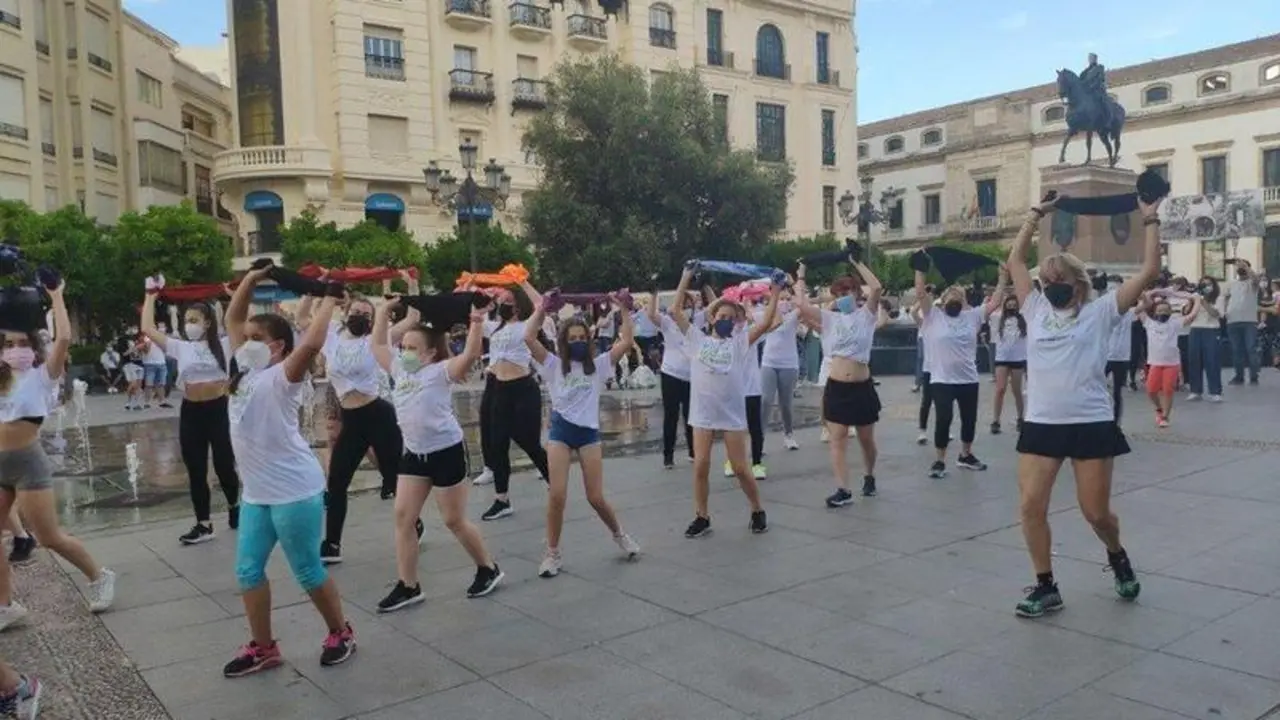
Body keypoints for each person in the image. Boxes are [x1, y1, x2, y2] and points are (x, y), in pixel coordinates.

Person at [1007, 192, 1159, 618]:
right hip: (1041, 423)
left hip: (1090, 421)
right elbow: (1016, 263)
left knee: (1095, 513)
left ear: (1077, 284)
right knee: (1030, 506)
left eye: (1058, 278)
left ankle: (1116, 554)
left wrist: (1149, 220)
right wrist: (1036, 214)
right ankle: (1045, 585)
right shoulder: (1034, 309)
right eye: (1046, 278)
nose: (1050, 283)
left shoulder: (1101, 311)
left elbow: (1149, 270)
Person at [221, 267, 356, 677]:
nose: (246, 343)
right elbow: (232, 319)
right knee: (247, 570)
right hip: (257, 493)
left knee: (306, 569)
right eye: (246, 339)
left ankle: (340, 632)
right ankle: (263, 647)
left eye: (257, 340)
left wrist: (330, 297)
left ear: (278, 347)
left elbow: (313, 341)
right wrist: (251, 281)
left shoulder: (282, 377)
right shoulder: (242, 373)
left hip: (295, 490)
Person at [371, 297, 504, 612]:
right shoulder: (398, 371)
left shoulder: (441, 371)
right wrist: (381, 313)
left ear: (430, 352)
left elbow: (471, 354)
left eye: (411, 348)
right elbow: (377, 345)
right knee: (403, 518)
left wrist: (475, 321)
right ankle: (408, 585)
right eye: (403, 347)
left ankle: (488, 567)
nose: (403, 352)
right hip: (414, 455)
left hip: (446, 452)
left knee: (453, 520)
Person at [0, 280, 116, 632]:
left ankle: (99, 575)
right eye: (8, 344)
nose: (15, 349)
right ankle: (6, 606)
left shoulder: (41, 376)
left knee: (49, 537)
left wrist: (57, 295)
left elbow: (63, 338)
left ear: (33, 347)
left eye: (22, 344)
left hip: (27, 463)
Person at [296, 277, 418, 564]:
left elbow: (413, 317)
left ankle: (414, 523)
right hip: (350, 418)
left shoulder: (378, 339)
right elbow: (303, 318)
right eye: (355, 312)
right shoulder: (331, 339)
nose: (359, 317)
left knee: (395, 477)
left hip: (378, 415)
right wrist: (318, 290)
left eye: (366, 314)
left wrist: (410, 287)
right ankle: (332, 544)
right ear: (345, 312)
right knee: (337, 481)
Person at [526, 297, 641, 577]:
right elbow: (528, 336)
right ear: (564, 342)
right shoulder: (552, 364)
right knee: (557, 495)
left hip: (588, 433)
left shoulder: (599, 365)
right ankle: (552, 554)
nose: (577, 341)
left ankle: (620, 534)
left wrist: (624, 309)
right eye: (572, 337)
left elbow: (626, 340)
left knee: (595, 496)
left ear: (588, 339)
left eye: (581, 337)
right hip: (561, 432)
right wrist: (542, 307)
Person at [668, 264, 780, 538]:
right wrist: (685, 276)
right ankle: (702, 516)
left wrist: (775, 291)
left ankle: (757, 510)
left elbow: (765, 323)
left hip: (731, 415)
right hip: (703, 414)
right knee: (701, 466)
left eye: (731, 316)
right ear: (712, 318)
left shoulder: (739, 343)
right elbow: (674, 311)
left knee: (741, 468)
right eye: (721, 315)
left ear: (737, 321)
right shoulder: (697, 339)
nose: (726, 319)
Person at [141, 294, 241, 544]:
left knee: (224, 465)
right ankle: (203, 523)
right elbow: (147, 329)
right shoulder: (180, 347)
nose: (189, 325)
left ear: (208, 322)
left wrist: (235, 297)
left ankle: (235, 505)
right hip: (191, 412)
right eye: (186, 320)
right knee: (196, 469)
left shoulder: (225, 344)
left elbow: (238, 321)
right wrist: (150, 297)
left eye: (194, 320)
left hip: (218, 409)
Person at [795, 260, 883, 504]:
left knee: (866, 439)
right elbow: (801, 305)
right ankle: (843, 489)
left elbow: (876, 288)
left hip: (861, 385)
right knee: (838, 437)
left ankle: (869, 474)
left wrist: (857, 262)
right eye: (839, 294)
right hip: (837, 385)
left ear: (856, 293)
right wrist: (801, 275)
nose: (843, 297)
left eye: (847, 292)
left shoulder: (866, 315)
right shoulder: (830, 319)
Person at [475, 280, 552, 521]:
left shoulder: (526, 327)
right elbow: (476, 317)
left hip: (523, 388)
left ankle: (554, 482)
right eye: (501, 302)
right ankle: (502, 499)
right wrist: (475, 292)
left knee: (529, 442)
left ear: (518, 307)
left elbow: (542, 305)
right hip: (499, 388)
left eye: (507, 302)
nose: (502, 305)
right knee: (498, 445)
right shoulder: (495, 328)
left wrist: (523, 282)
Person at [914, 273, 988, 478]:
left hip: (968, 378)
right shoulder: (934, 317)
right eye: (950, 295)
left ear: (964, 300)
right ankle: (939, 460)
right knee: (943, 418)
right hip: (942, 379)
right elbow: (920, 293)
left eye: (959, 295)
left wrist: (1002, 278)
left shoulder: (972, 316)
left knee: (969, 419)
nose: (954, 297)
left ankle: (966, 455)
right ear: (943, 300)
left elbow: (996, 301)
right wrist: (920, 269)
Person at [648, 291, 695, 469]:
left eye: (687, 306)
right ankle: (668, 455)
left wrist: (705, 285)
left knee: (691, 415)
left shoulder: (695, 323)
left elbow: (714, 307)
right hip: (671, 374)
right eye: (681, 305)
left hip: (691, 376)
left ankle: (693, 452)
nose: (684, 309)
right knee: (671, 415)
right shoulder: (667, 323)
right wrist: (653, 295)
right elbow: (652, 314)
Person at [1139, 291, 1199, 428]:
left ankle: (1165, 416)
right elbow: (1140, 307)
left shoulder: (1175, 323)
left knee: (1168, 390)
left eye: (1166, 310)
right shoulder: (1149, 323)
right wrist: (1151, 293)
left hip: (1171, 363)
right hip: (1155, 362)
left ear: (1171, 312)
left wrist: (1197, 300)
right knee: (1151, 390)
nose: (1162, 313)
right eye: (1160, 310)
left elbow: (1192, 315)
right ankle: (1159, 408)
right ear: (1154, 311)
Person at [759, 287, 802, 452]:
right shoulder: (766, 313)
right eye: (781, 298)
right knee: (765, 400)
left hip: (789, 364)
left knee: (786, 403)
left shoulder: (794, 315)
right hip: (769, 362)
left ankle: (789, 434)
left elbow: (803, 303)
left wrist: (796, 284)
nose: (784, 302)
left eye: (787, 298)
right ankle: (760, 437)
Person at [986, 268, 1027, 435]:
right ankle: (996, 420)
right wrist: (1002, 280)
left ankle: (1020, 418)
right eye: (1008, 302)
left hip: (1018, 359)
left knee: (1017, 390)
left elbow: (1027, 298)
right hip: (1002, 358)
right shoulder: (997, 319)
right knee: (1000, 389)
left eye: (1014, 301)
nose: (1011, 304)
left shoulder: (1024, 318)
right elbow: (994, 301)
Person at [1104, 279, 1137, 424]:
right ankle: (1100, 418)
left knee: (1117, 392)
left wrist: (1134, 291)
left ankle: (1116, 422)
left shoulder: (1130, 312)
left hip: (1122, 357)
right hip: (1105, 356)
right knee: (1096, 388)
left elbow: (1147, 303)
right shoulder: (1103, 312)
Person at [1186, 276, 1224, 402]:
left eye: (1209, 284)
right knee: (1194, 360)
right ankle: (1195, 390)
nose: (1206, 287)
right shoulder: (1195, 297)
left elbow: (1216, 314)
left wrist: (1202, 301)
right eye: (1203, 284)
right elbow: (1186, 312)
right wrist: (1191, 301)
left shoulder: (1218, 297)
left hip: (1211, 330)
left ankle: (1215, 392)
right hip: (1195, 329)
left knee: (1212, 360)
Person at [1223, 260, 1261, 385]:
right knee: (1236, 349)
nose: (1239, 268)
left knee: (1251, 348)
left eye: (1242, 266)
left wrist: (1245, 266)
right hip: (1232, 320)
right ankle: (1239, 376)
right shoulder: (1231, 283)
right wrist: (1224, 311)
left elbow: (1255, 278)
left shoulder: (1252, 283)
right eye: (1238, 266)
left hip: (1249, 321)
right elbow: (1225, 298)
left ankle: (1254, 376)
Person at [139, 332, 169, 409]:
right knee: (149, 384)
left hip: (161, 363)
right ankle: (147, 402)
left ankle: (162, 402)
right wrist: (147, 343)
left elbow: (166, 349)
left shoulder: (161, 339)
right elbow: (146, 351)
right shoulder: (145, 338)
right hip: (149, 364)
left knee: (161, 384)